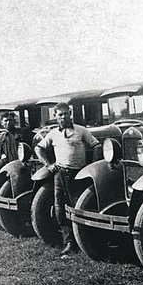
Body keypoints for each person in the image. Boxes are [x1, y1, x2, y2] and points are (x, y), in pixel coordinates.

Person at [35, 102, 101, 256]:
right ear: (55, 116)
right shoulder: (53, 134)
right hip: (59, 174)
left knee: (79, 208)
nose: (63, 117)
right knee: (60, 209)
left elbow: (97, 145)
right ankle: (69, 243)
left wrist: (92, 166)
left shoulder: (81, 130)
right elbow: (39, 148)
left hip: (78, 175)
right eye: (60, 115)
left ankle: (84, 241)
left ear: (70, 114)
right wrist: (48, 164)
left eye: (66, 114)